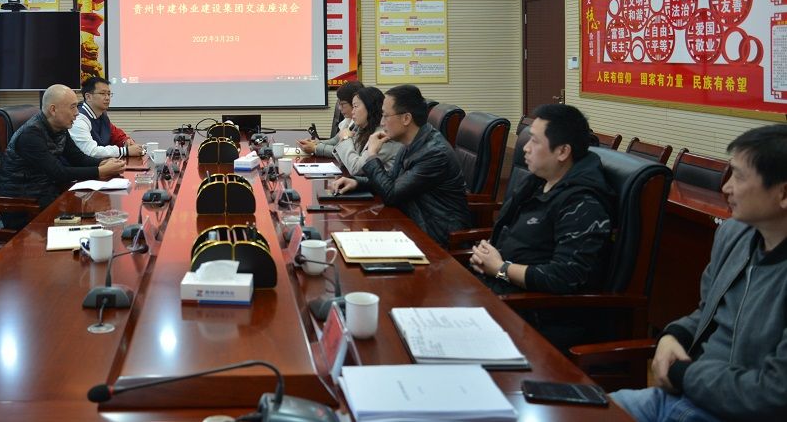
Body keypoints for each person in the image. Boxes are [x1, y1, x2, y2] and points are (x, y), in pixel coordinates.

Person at [610, 125, 787, 422]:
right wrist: (673, 335)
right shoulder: (734, 234)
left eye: (739, 177)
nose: (726, 188)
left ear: (783, 193)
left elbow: (773, 393)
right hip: (684, 397)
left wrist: (683, 373)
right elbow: (707, 311)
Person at [469, 103, 614, 348]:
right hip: (500, 295)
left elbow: (563, 277)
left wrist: (500, 268)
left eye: (535, 141)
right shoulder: (537, 183)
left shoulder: (582, 203)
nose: (525, 148)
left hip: (536, 316)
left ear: (563, 151)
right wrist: (487, 255)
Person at [329, 84, 469, 247]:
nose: (381, 122)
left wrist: (372, 155)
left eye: (385, 116)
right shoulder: (411, 141)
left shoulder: (434, 153)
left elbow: (391, 195)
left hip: (436, 238)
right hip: (411, 225)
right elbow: (393, 181)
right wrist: (357, 182)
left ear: (406, 119)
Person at [0, 83, 125, 227]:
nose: (77, 113)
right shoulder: (31, 135)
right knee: (95, 221)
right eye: (72, 107)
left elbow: (78, 158)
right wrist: (100, 171)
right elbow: (58, 172)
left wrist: (102, 163)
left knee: (99, 216)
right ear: (53, 110)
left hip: (48, 195)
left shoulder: (60, 127)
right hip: (25, 206)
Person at [332, 86, 403, 175]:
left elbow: (356, 168)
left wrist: (346, 138)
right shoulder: (362, 130)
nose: (352, 112)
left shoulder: (384, 136)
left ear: (370, 107)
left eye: (355, 106)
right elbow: (345, 162)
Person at [70, 76, 143, 159]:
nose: (107, 98)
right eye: (102, 94)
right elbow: (91, 151)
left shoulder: (101, 114)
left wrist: (125, 141)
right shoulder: (78, 119)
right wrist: (125, 151)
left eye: (108, 94)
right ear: (88, 97)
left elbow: (113, 133)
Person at [297, 81, 363, 157]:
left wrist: (315, 148)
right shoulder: (348, 121)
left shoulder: (361, 124)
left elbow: (344, 152)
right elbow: (335, 140)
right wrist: (315, 143)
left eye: (343, 104)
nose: (339, 108)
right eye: (339, 104)